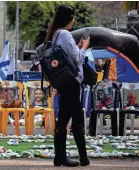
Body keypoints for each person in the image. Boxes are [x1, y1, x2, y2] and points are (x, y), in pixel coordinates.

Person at [44, 5, 90, 167]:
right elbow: (77, 58)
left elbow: (67, 55)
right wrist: (84, 47)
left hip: (64, 82)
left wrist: (76, 47)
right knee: (74, 120)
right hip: (71, 83)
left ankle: (62, 157)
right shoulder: (64, 34)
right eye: (73, 17)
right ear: (69, 19)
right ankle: (78, 158)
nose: (74, 20)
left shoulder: (56, 34)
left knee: (67, 119)